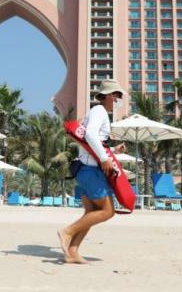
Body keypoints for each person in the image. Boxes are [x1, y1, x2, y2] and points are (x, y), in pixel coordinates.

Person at [57, 79, 126, 264]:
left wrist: (114, 150)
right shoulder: (99, 111)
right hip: (90, 170)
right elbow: (90, 135)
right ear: (110, 96)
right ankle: (67, 232)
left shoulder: (99, 112)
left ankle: (73, 251)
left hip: (86, 169)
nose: (119, 100)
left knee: (92, 211)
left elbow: (95, 143)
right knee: (107, 211)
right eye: (118, 96)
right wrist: (104, 158)